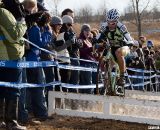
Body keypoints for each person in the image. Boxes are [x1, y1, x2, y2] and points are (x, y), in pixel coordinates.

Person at [0, 0, 27, 129]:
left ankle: (2, 121)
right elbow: (14, 36)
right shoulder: (2, 12)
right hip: (10, 57)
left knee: (2, 89)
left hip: (3, 56)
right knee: (13, 89)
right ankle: (11, 122)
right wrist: (22, 22)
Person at [96, 9, 134, 91]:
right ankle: (106, 81)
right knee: (106, 58)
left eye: (112, 23)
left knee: (118, 52)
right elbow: (98, 36)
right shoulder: (104, 26)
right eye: (108, 22)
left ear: (117, 21)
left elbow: (129, 38)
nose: (110, 24)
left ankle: (122, 77)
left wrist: (130, 42)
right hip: (112, 48)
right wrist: (95, 40)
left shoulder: (122, 27)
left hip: (124, 48)